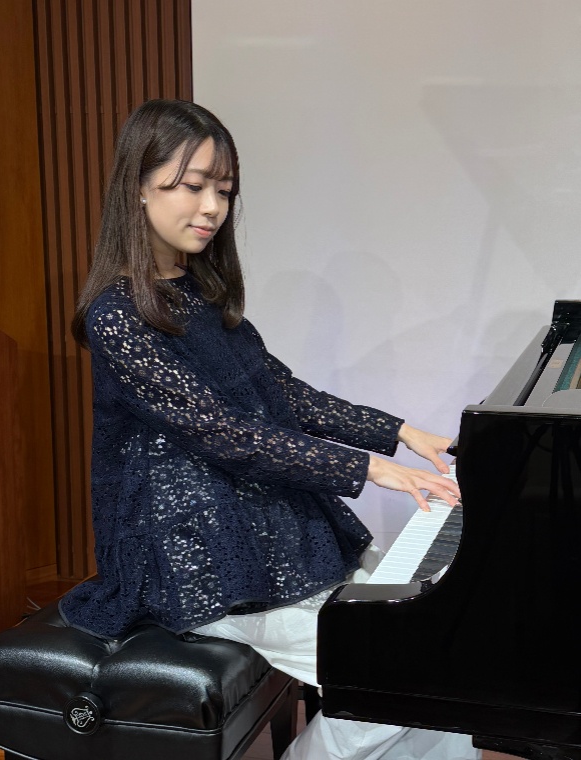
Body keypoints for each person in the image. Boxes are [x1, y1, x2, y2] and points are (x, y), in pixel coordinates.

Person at [60, 99, 479, 760]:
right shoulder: (117, 316)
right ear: (138, 186)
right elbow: (223, 433)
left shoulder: (198, 293)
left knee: (438, 650)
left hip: (256, 522)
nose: (212, 207)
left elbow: (282, 393)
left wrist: (401, 433)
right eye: (191, 185)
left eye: (224, 190)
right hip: (190, 555)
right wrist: (373, 470)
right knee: (395, 675)